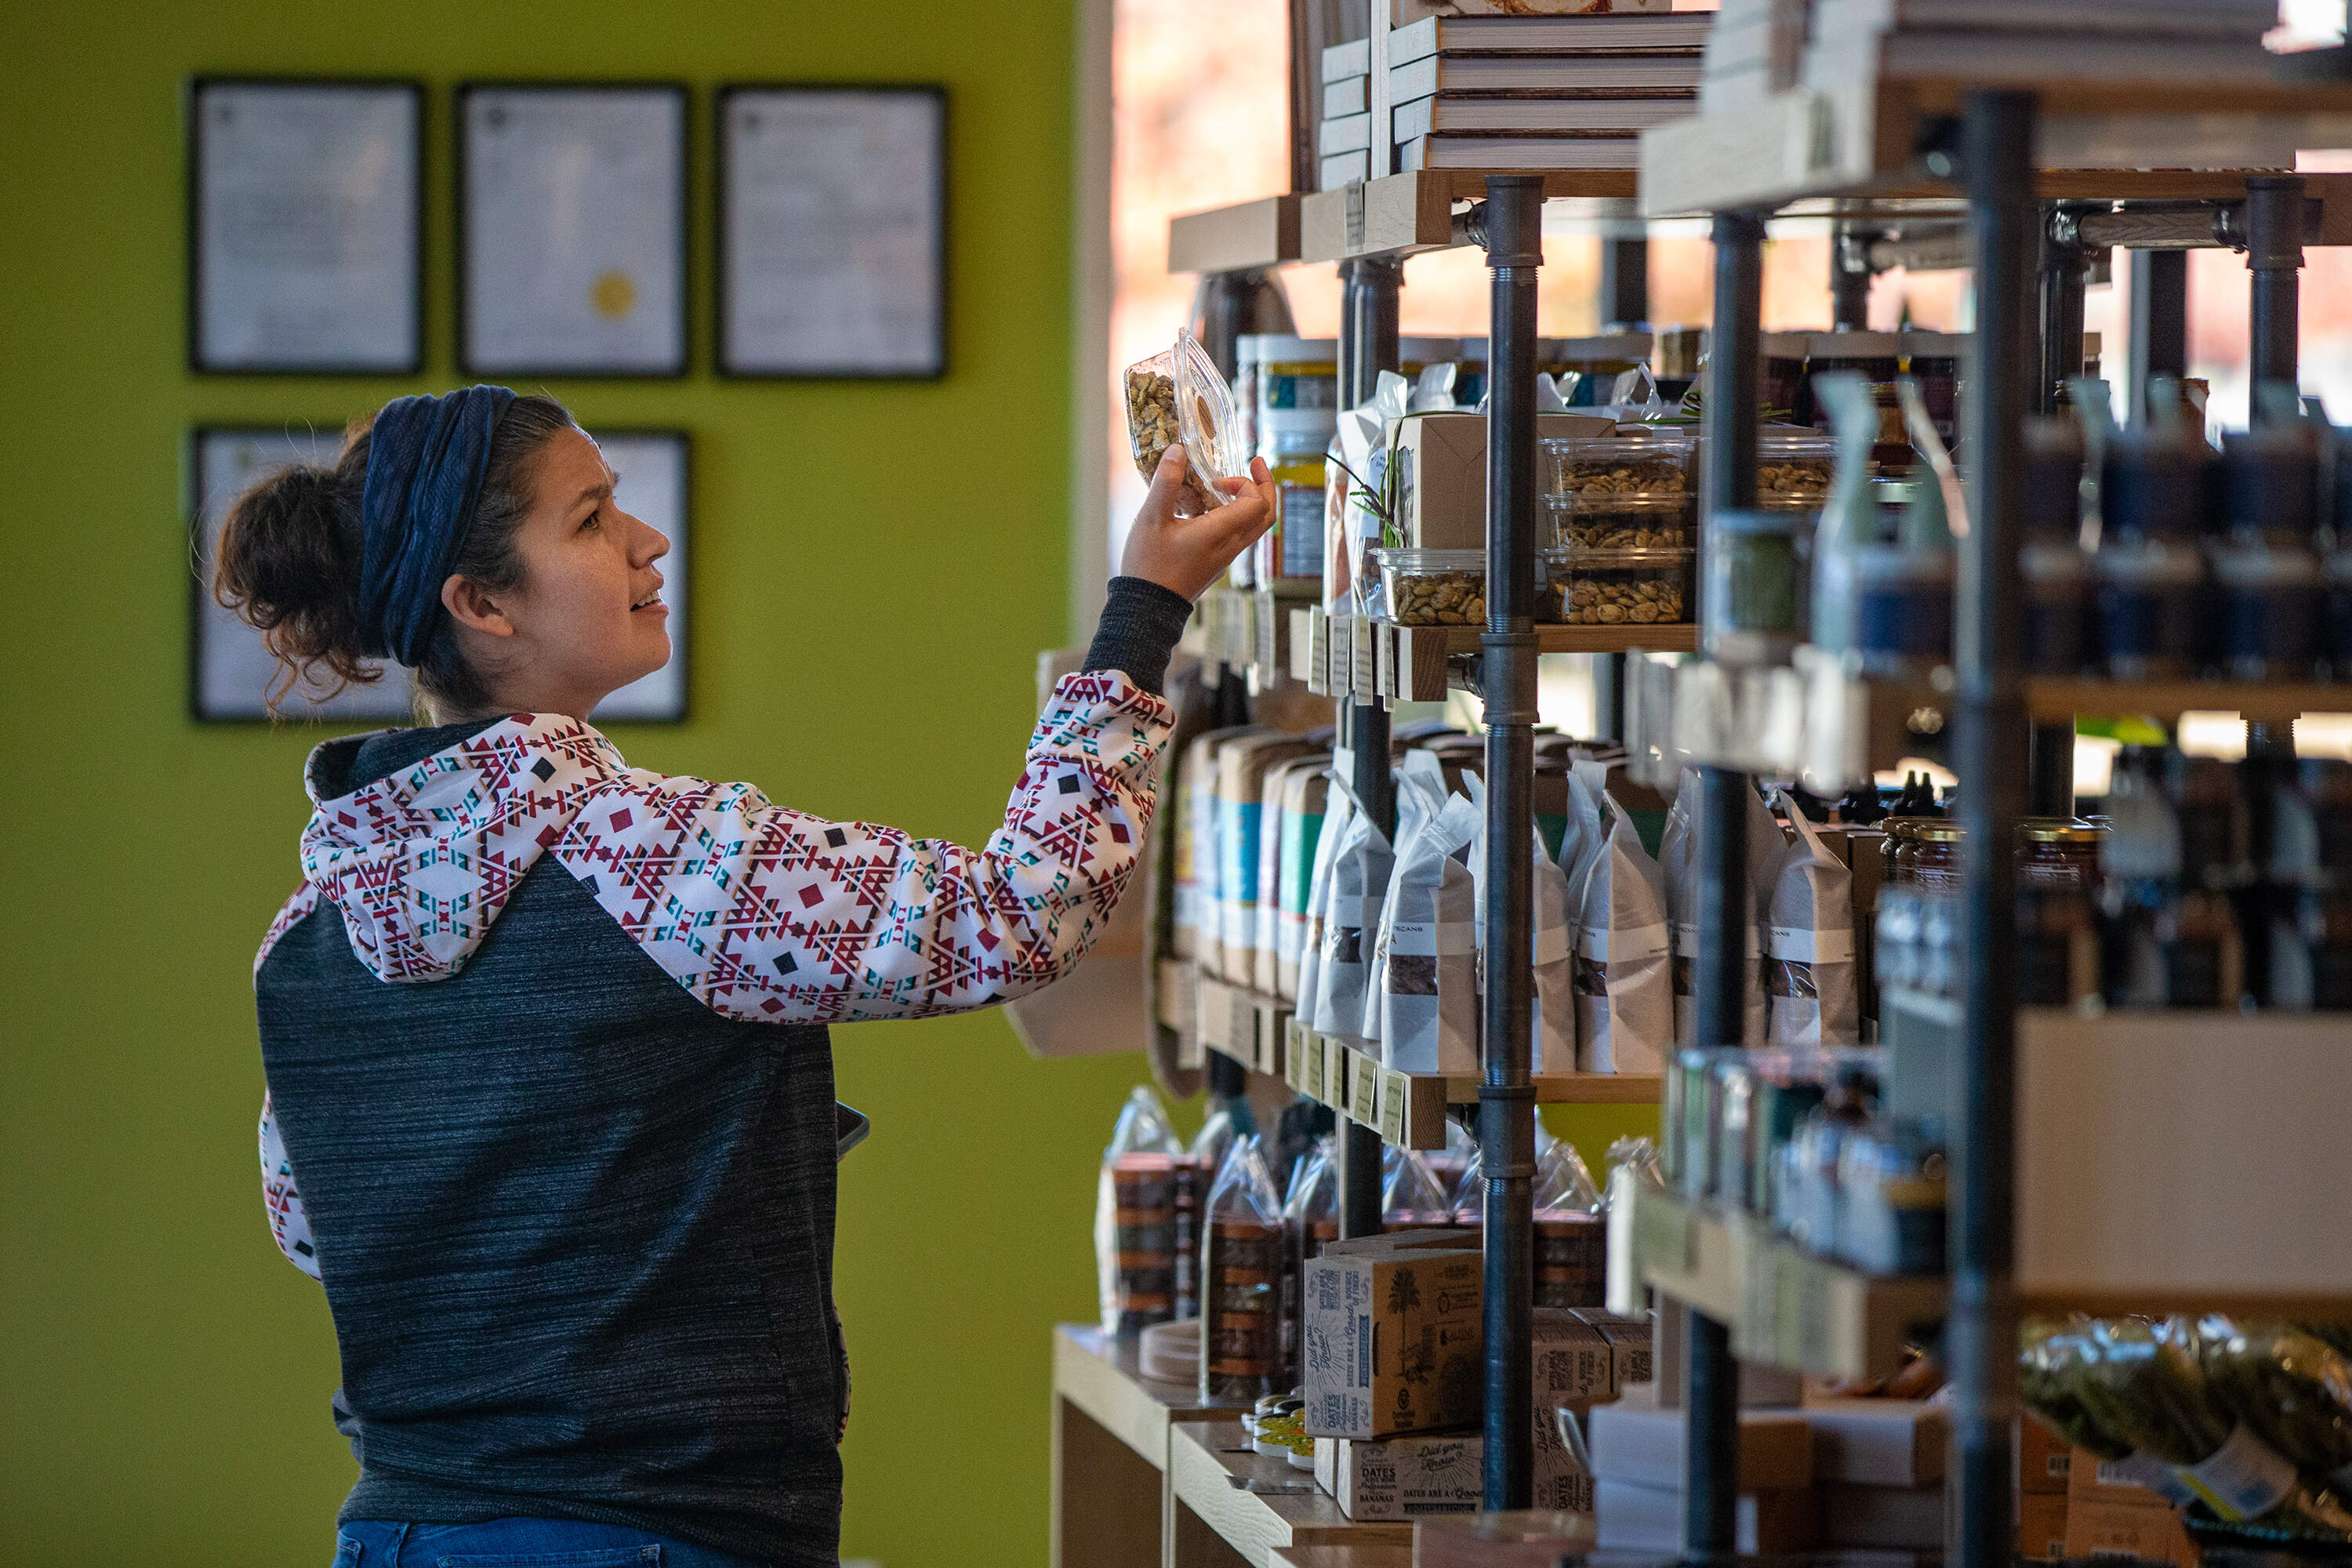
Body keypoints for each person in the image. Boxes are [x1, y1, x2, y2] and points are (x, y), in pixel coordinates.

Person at [220, 384, 1272, 1568]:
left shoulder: (309, 930)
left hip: (398, 1537)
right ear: (480, 604)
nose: (646, 540)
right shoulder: (655, 861)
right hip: (658, 1536)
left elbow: (313, 1225)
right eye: (590, 518)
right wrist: (1143, 613)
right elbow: (1018, 915)